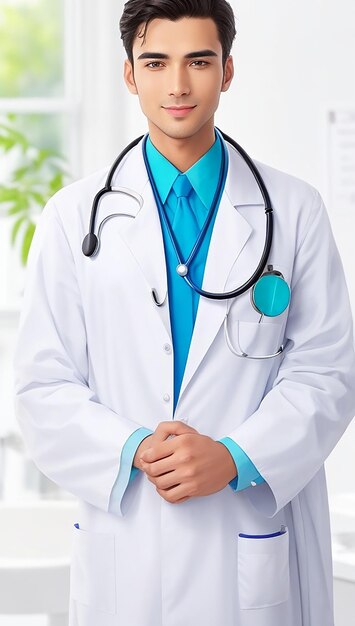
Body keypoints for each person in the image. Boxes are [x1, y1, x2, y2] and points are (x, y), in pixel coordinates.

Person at [12, 1, 355, 625]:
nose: (177, 85)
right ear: (128, 75)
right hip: (129, 543)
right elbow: (43, 385)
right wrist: (134, 447)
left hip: (251, 535)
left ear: (227, 71)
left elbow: (327, 372)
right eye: (156, 62)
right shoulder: (72, 217)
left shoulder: (294, 211)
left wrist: (234, 456)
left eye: (199, 61)